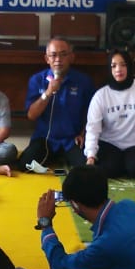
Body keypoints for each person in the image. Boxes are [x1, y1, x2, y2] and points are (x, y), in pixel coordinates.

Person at [83, 49, 135, 179]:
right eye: (114, 65)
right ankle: (118, 162)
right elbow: (93, 128)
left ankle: (126, 162)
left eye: (123, 65)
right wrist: (91, 156)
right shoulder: (101, 95)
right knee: (110, 171)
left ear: (129, 66)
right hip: (110, 142)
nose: (118, 69)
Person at [19, 37, 94, 172]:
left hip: (72, 140)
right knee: (24, 165)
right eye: (53, 55)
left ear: (71, 57)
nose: (58, 60)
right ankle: (56, 157)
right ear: (46, 59)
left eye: (63, 54)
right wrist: (48, 92)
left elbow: (92, 114)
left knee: (86, 170)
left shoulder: (83, 81)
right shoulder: (37, 80)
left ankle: (63, 157)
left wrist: (84, 133)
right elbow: (31, 115)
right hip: (45, 139)